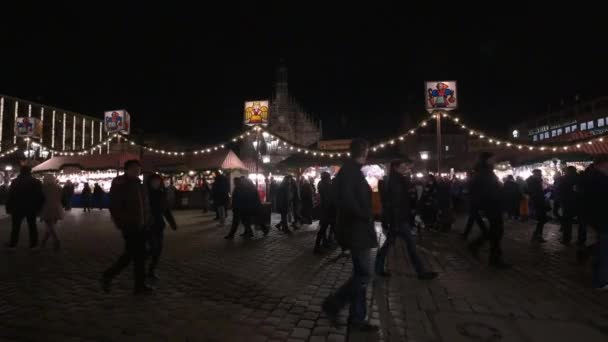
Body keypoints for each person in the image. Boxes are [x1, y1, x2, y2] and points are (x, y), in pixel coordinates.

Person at [322, 138, 379, 332]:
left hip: (357, 229)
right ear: (364, 151)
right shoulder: (350, 172)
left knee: (359, 275)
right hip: (356, 230)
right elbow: (347, 200)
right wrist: (365, 215)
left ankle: (357, 318)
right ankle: (334, 303)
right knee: (365, 275)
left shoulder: (351, 171)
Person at [375, 159, 437, 279]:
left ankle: (378, 267)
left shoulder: (396, 179)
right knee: (410, 245)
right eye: (404, 165)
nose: (406, 167)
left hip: (398, 219)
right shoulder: (396, 181)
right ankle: (421, 272)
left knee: (389, 245)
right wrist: (398, 221)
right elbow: (396, 203)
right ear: (396, 167)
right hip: (399, 219)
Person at [101, 159, 153, 295]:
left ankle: (138, 285)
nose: (137, 170)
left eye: (138, 168)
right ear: (127, 169)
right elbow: (115, 206)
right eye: (134, 168)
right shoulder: (121, 184)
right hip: (130, 226)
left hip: (142, 225)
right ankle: (110, 276)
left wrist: (147, 220)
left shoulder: (139, 184)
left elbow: (145, 205)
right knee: (135, 255)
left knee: (136, 255)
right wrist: (122, 223)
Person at [468, 152, 510, 269]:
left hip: (492, 205)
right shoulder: (484, 173)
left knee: (495, 231)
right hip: (491, 205)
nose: (495, 161)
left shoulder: (485, 172)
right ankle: (494, 258)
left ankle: (480, 248)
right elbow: (485, 191)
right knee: (496, 231)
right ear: (486, 160)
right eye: (493, 159)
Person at [579, 156, 608, 290]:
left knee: (601, 249)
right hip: (602, 219)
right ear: (603, 165)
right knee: (605, 251)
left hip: (595, 219)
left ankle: (598, 278)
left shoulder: (590, 177)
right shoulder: (600, 179)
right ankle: (602, 281)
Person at [145, 173, 177, 280]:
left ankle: (151, 270)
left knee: (158, 249)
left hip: (159, 224)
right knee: (154, 247)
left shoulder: (161, 193)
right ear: (150, 182)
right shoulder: (145, 194)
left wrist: (172, 223)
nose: (156, 183)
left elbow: (166, 210)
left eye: (158, 181)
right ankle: (141, 261)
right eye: (154, 181)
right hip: (148, 225)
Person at [5, 165, 44, 249]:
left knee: (15, 226)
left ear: (21, 171)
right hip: (31, 207)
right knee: (32, 226)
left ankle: (13, 243)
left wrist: (8, 207)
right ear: (30, 171)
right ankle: (33, 244)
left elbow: (10, 195)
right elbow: (40, 196)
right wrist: (39, 208)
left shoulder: (15, 181)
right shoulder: (36, 182)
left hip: (17, 207)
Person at [40, 175, 64, 251]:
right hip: (57, 208)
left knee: (50, 226)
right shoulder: (59, 187)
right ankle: (44, 241)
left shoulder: (43, 188)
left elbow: (41, 199)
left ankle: (57, 240)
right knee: (51, 226)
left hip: (47, 208)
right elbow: (62, 198)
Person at [462, 170, 488, 239]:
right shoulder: (474, 181)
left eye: (467, 175)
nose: (466, 176)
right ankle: (466, 233)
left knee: (474, 217)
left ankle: (485, 231)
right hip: (475, 202)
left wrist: (465, 192)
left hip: (473, 202)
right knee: (473, 218)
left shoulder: (471, 182)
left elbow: (467, 191)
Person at [314, 172, 336, 253]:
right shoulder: (327, 186)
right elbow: (330, 199)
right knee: (324, 228)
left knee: (324, 228)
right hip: (328, 210)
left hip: (325, 209)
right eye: (329, 177)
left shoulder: (322, 184)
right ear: (327, 178)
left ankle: (324, 242)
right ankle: (318, 246)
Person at [526, 169, 548, 243]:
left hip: (538, 202)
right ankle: (537, 235)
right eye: (539, 173)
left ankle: (537, 235)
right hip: (538, 202)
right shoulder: (533, 182)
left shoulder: (534, 181)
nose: (541, 175)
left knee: (542, 219)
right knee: (542, 219)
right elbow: (536, 193)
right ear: (536, 174)